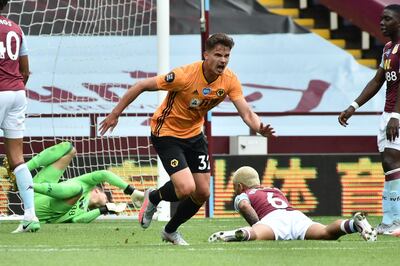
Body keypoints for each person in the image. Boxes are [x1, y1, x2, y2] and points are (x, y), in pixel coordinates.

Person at [99, 33, 276, 245]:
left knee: (202, 192)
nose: (223, 60)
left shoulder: (229, 80)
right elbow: (141, 85)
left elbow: (247, 113)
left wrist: (258, 127)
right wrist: (115, 113)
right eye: (218, 55)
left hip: (194, 135)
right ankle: (153, 197)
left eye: (227, 56)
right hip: (166, 133)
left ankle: (170, 231)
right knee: (185, 189)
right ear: (206, 55)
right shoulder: (184, 75)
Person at [338, 4, 400, 235]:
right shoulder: (387, 48)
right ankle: (390, 219)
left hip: (397, 114)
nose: (382, 22)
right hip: (388, 113)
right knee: (389, 164)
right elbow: (377, 81)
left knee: (393, 160)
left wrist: (396, 115)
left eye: (387, 19)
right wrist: (353, 106)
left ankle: (395, 221)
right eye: (381, 18)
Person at [208, 166, 377, 242]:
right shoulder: (275, 189)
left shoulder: (244, 194)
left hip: (273, 220)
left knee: (257, 234)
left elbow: (245, 206)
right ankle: (354, 224)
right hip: (295, 216)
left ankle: (237, 234)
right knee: (326, 232)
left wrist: (257, 225)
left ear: (239, 186)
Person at [3, 142, 144, 225]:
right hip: (39, 192)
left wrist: (106, 208)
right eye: (106, 196)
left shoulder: (82, 211)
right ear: (96, 190)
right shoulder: (86, 184)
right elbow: (104, 174)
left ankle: (27, 184)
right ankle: (21, 172)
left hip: (41, 210)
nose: (107, 198)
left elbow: (79, 220)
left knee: (77, 190)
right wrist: (132, 191)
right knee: (68, 149)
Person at [0, 0, 40, 233]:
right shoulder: (15, 27)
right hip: (17, 93)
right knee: (17, 159)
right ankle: (30, 216)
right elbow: (25, 70)